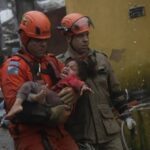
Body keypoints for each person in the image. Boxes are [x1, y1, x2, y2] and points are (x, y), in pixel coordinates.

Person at [0, 10, 79, 150]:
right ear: (25, 38)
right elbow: (15, 106)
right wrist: (51, 114)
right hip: (31, 136)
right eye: (37, 40)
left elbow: (73, 79)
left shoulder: (51, 61)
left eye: (45, 40)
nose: (43, 44)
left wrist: (74, 91)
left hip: (58, 132)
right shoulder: (14, 67)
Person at [57, 13, 136, 150]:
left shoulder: (101, 59)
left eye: (87, 35)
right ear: (69, 37)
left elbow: (116, 92)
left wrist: (126, 115)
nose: (86, 39)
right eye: (80, 36)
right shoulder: (60, 65)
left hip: (110, 133)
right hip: (81, 137)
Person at [6, 59, 92, 119]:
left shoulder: (71, 79)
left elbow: (80, 83)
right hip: (52, 106)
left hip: (57, 103)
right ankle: (37, 98)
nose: (66, 68)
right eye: (66, 66)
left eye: (72, 68)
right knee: (29, 94)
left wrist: (82, 88)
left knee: (29, 85)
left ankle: (19, 104)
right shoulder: (16, 63)